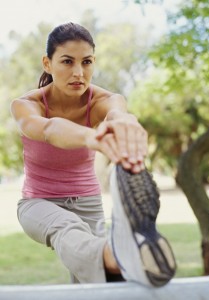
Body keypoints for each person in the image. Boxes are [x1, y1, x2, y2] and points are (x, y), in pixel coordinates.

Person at [11, 22, 176, 286]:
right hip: (38, 203)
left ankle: (117, 260)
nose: (78, 72)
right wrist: (90, 136)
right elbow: (48, 129)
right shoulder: (27, 105)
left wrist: (126, 124)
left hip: (89, 204)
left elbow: (118, 112)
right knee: (69, 230)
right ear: (47, 63)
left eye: (86, 62)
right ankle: (119, 257)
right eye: (67, 61)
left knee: (93, 279)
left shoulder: (102, 100)